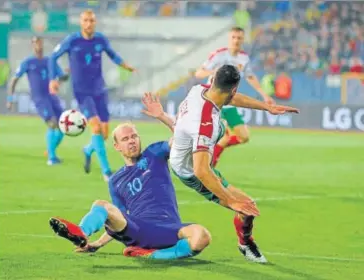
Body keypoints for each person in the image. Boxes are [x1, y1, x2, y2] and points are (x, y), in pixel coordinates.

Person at [149, 65, 299, 263]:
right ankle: (245, 244)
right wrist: (231, 200)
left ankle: (244, 241)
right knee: (247, 206)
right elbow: (200, 171)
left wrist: (267, 106)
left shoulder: (199, 90)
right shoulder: (206, 123)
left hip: (182, 148)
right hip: (191, 173)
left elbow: (230, 98)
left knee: (243, 205)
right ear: (234, 88)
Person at [49, 98, 211, 259]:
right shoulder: (116, 181)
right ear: (117, 146)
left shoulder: (154, 153)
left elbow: (182, 140)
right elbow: (116, 219)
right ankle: (80, 233)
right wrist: (98, 243)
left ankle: (153, 255)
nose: (131, 141)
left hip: (169, 228)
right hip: (138, 229)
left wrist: (162, 116)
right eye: (125, 139)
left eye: (134, 136)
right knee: (101, 205)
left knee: (202, 236)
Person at [48, 9, 136, 182]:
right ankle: (107, 172)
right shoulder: (72, 40)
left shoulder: (100, 39)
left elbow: (112, 54)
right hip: (82, 92)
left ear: (95, 22)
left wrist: (125, 65)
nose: (89, 23)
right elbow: (52, 57)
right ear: (81, 22)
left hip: (99, 90)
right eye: (86, 20)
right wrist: (53, 79)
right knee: (95, 128)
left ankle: (88, 150)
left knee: (103, 134)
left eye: (92, 20)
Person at [195, 26, 275, 167]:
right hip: (214, 101)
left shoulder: (243, 58)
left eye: (239, 38)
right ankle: (206, 166)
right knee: (216, 136)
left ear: (243, 40)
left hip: (230, 101)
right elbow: (199, 73)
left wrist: (264, 95)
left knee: (243, 137)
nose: (236, 41)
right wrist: (215, 71)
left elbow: (250, 76)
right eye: (233, 37)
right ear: (229, 39)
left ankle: (215, 154)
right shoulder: (219, 55)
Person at [7, 36, 68, 165]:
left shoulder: (50, 61)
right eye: (35, 43)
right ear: (32, 45)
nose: (37, 45)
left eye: (39, 42)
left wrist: (63, 77)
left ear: (42, 44)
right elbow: (14, 79)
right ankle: (51, 158)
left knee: (63, 126)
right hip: (39, 98)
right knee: (52, 123)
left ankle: (50, 149)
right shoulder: (28, 62)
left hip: (52, 97)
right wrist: (10, 98)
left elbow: (62, 77)